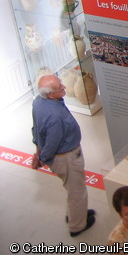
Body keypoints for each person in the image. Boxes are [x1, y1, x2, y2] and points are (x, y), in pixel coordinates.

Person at [31, 75, 96, 237]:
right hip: (66, 158)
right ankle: (77, 225)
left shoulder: (39, 102)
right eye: (60, 88)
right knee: (77, 191)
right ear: (51, 94)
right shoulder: (55, 117)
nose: (64, 88)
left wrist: (38, 152)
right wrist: (42, 159)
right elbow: (52, 143)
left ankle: (76, 214)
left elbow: (37, 131)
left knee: (73, 189)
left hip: (63, 156)